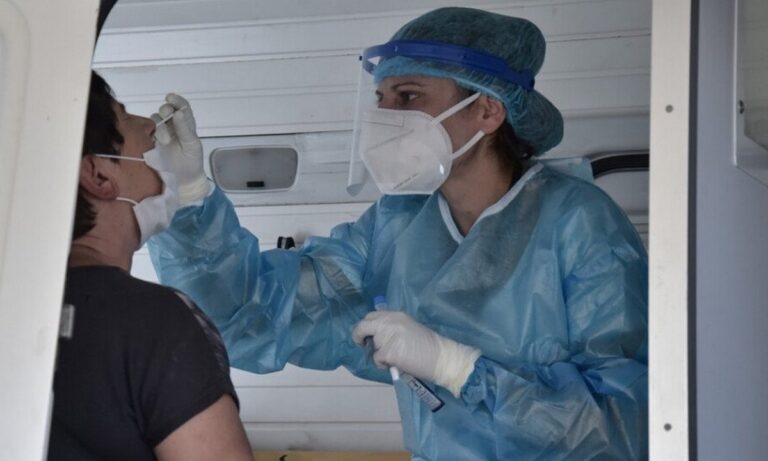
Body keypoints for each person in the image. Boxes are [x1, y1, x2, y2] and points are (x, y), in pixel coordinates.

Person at [149, 7, 648, 460]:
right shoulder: (399, 221)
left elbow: (623, 428)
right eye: (380, 99)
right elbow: (254, 315)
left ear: (488, 110)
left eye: (408, 96)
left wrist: (458, 369)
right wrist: (189, 194)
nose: (385, 118)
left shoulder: (579, 221)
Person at [48, 71, 253, 461]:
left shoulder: (17, 311)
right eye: (125, 117)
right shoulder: (152, 321)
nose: (149, 125)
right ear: (98, 174)